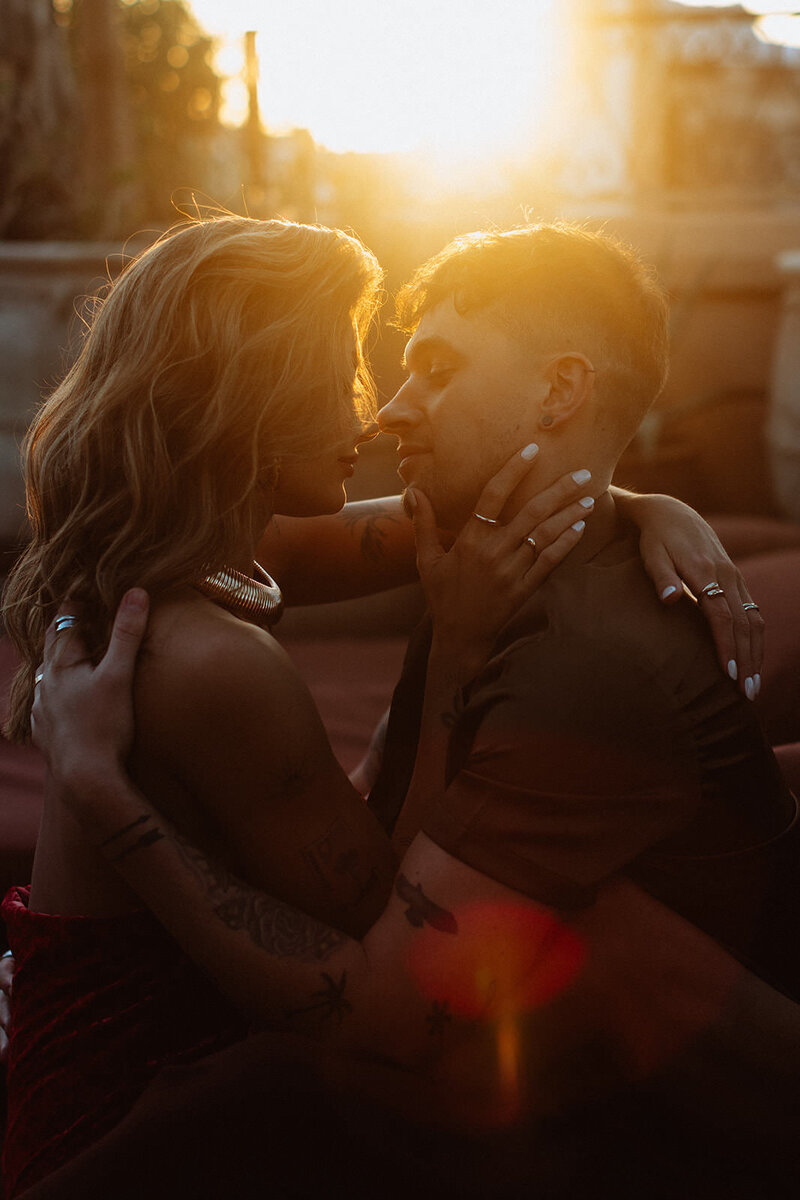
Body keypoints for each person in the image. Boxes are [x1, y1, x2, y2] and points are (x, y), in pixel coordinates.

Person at [15, 224, 800, 1198]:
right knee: (609, 948)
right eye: (342, 365)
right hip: (124, 1095)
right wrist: (456, 660)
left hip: (141, 1021)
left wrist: (642, 504)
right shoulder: (211, 658)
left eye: (411, 369)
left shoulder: (213, 547)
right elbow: (387, 950)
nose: (378, 408)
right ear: (252, 394)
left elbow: (523, 498)